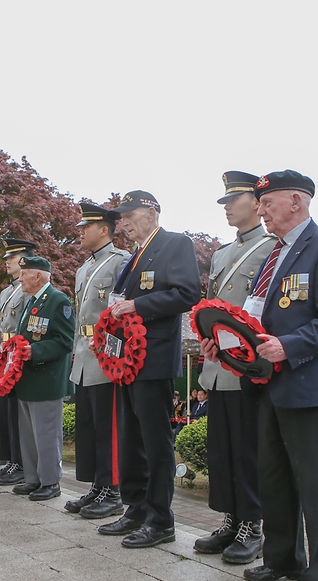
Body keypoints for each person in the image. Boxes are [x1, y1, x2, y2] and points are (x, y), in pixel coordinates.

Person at [238, 170, 318, 581]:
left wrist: (287, 346)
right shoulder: (273, 255)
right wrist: (229, 345)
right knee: (273, 477)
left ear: (296, 202)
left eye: (267, 202)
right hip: (269, 381)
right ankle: (283, 558)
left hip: (308, 382)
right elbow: (254, 318)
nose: (261, 209)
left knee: (315, 483)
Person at [96, 190, 200, 549]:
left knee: (156, 443)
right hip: (127, 360)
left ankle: (160, 520)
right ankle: (136, 508)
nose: (122, 222)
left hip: (153, 359)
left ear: (152, 211)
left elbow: (188, 293)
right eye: (121, 216)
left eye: (129, 214)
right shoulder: (135, 255)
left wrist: (137, 305)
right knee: (131, 439)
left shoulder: (175, 244)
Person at [193, 170, 275, 562]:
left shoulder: (272, 247)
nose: (226, 207)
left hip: (248, 365)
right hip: (219, 364)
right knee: (222, 450)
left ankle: (252, 524)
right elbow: (213, 308)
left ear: (256, 203)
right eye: (224, 201)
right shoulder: (224, 253)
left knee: (247, 450)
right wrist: (209, 339)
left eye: (233, 200)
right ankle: (230, 519)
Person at [67, 204, 129, 518]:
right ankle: (97, 485)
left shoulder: (120, 262)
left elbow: (121, 311)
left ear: (103, 229)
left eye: (85, 227)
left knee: (109, 427)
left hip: (107, 354)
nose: (80, 231)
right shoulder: (83, 268)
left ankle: (113, 489)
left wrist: (113, 350)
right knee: (90, 427)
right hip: (84, 351)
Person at [10, 256, 75, 501]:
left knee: (47, 434)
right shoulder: (32, 301)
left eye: (23, 274)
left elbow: (65, 340)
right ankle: (33, 478)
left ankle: (50, 482)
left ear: (38, 276)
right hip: (28, 378)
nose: (20, 279)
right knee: (28, 434)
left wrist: (35, 352)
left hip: (47, 379)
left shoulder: (58, 301)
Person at [0, 238, 37, 485]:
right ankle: (9, 460)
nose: (6, 261)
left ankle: (20, 462)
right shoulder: (7, 291)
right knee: (6, 412)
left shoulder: (31, 288)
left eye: (11, 257)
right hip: (5, 354)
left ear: (23, 259)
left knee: (19, 413)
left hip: (18, 355)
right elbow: (0, 329)